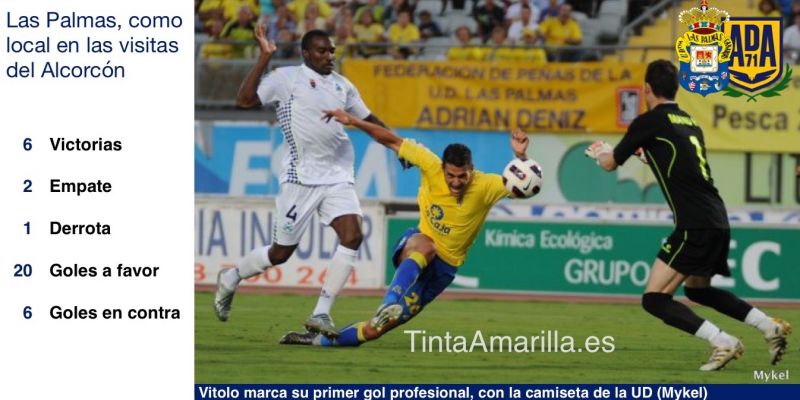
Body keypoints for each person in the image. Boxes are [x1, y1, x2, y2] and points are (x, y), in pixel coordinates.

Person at [585, 60, 792, 371]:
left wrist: (600, 152)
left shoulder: (649, 121)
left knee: (654, 298)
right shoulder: (689, 122)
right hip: (717, 218)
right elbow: (678, 163)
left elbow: (610, 164)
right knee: (697, 290)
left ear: (647, 89)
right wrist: (644, 155)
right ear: (676, 88)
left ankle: (722, 341)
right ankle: (767, 325)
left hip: (694, 224)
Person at [279, 110, 536, 347]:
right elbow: (389, 139)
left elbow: (521, 187)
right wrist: (354, 121)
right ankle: (389, 302)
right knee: (427, 246)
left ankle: (317, 342)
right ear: (443, 169)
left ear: (472, 170)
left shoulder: (487, 185)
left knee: (374, 330)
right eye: (451, 175)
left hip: (444, 270)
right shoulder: (430, 164)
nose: (456, 182)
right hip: (418, 243)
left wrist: (521, 158)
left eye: (462, 176)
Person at [215, 28, 389, 338]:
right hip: (301, 179)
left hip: (337, 176)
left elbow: (369, 119)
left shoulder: (343, 85)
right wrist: (264, 57)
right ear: (306, 53)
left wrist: (398, 145)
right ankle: (232, 276)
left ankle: (321, 312)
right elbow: (244, 100)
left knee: (352, 236)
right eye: (322, 51)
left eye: (331, 50)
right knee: (280, 254)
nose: (329, 56)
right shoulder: (286, 78)